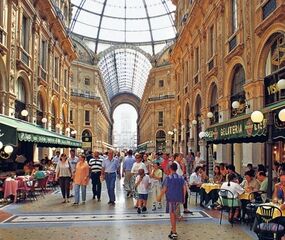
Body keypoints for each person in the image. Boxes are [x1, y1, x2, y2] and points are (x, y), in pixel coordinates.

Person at [157, 163, 187, 240]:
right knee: (175, 214)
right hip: (178, 198)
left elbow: (164, 189)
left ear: (170, 168)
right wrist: (183, 198)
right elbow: (184, 188)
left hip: (171, 198)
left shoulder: (168, 178)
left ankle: (174, 232)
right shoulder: (181, 178)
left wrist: (159, 197)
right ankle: (172, 230)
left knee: (172, 215)